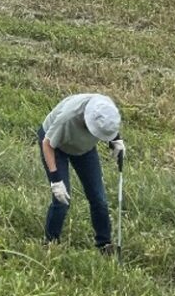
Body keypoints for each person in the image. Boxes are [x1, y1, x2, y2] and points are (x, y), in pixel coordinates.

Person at [38, 93, 126, 252]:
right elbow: (47, 144)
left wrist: (115, 140)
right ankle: (50, 244)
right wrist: (56, 180)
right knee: (62, 201)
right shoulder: (68, 118)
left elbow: (108, 124)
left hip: (83, 149)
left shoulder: (106, 108)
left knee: (99, 198)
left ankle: (104, 244)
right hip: (55, 146)